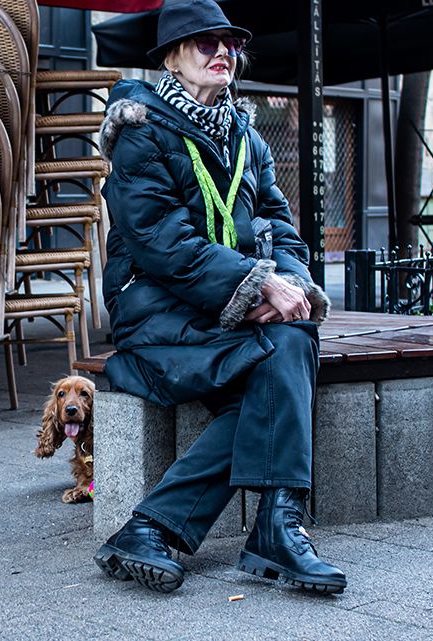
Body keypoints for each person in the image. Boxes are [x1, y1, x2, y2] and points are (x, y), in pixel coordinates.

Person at [92, 0, 347, 595]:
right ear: (172, 58)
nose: (222, 53)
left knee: (288, 339)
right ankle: (266, 530)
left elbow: (280, 225)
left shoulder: (246, 135)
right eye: (205, 43)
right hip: (155, 320)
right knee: (278, 365)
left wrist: (288, 284)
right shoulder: (140, 136)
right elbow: (161, 242)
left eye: (229, 43)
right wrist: (257, 284)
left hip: (221, 317)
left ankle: (224, 526)